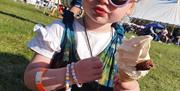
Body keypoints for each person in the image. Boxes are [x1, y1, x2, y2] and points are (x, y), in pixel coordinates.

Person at [24, 0, 141, 91]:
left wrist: (131, 87)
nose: (102, 0)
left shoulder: (124, 48)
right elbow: (30, 78)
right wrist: (70, 74)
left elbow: (127, 82)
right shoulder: (59, 30)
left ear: (131, 7)